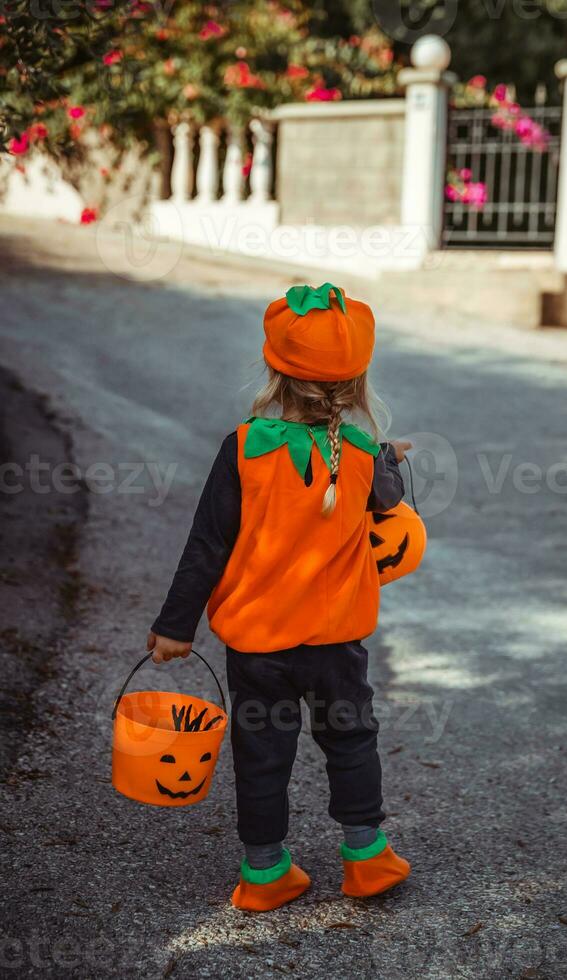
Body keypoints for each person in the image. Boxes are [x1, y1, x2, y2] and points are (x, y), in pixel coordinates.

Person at [148, 282, 412, 911]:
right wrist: (387, 458)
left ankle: (265, 873)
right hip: (336, 644)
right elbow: (390, 502)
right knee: (351, 739)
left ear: (272, 370)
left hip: (259, 645)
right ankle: (367, 857)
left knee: (261, 751)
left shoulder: (243, 449)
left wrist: (174, 627)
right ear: (357, 384)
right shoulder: (361, 456)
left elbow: (205, 544)